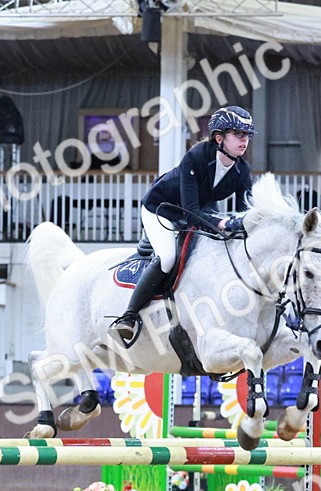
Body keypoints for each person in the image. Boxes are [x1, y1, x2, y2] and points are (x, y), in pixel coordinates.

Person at [109, 105, 256, 346]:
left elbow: (244, 213)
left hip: (200, 209)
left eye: (247, 135)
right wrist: (223, 223)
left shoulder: (242, 171)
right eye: (238, 134)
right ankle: (129, 317)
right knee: (168, 258)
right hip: (162, 208)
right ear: (219, 138)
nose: (244, 140)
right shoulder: (196, 157)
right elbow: (191, 212)